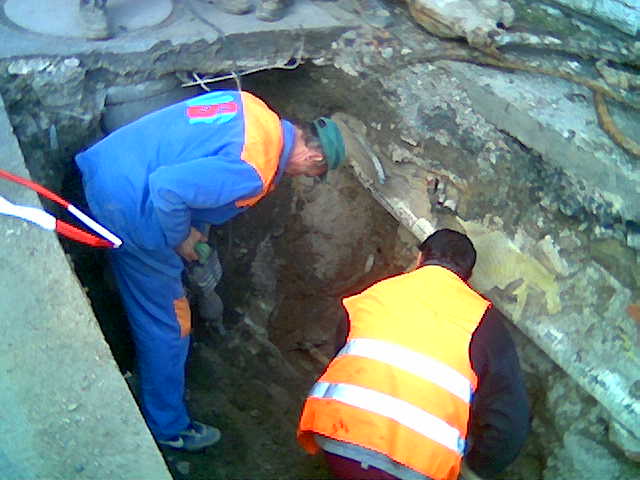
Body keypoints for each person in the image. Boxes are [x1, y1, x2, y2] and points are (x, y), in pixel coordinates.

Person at [75, 89, 346, 452]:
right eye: (314, 173)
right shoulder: (254, 170)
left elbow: (196, 163)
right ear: (314, 156)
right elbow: (168, 189)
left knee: (149, 281)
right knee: (171, 325)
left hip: (107, 165)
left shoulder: (253, 111)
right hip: (128, 207)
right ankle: (169, 428)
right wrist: (181, 238)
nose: (305, 177)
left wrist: (197, 228)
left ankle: (118, 288)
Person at [297, 229, 530, 479]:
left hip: (336, 439)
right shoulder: (485, 323)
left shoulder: (376, 292)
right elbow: (510, 422)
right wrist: (478, 467)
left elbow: (343, 358)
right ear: (467, 277)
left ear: (420, 259)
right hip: (414, 468)